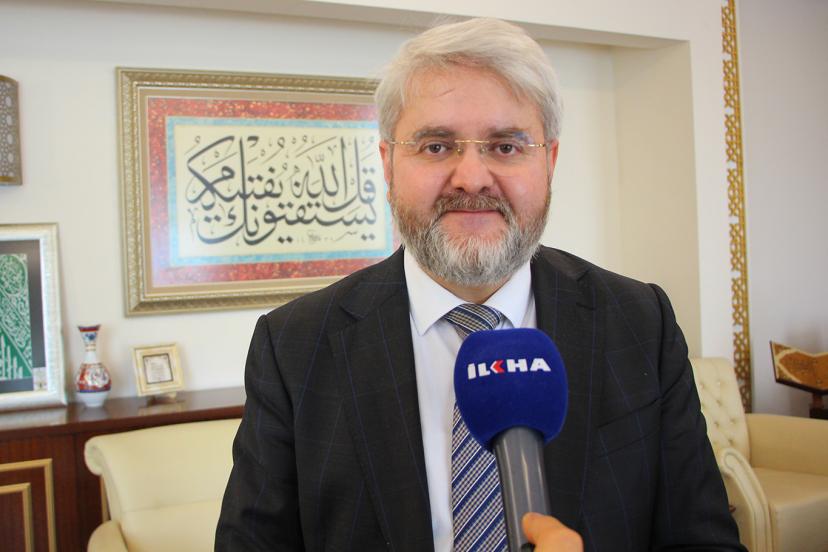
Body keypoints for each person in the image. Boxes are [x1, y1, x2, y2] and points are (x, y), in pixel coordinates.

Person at [215, 17, 745, 552]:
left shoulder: (640, 322)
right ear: (388, 163)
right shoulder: (295, 346)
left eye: (506, 146)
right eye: (436, 146)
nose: (471, 178)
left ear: (549, 161)